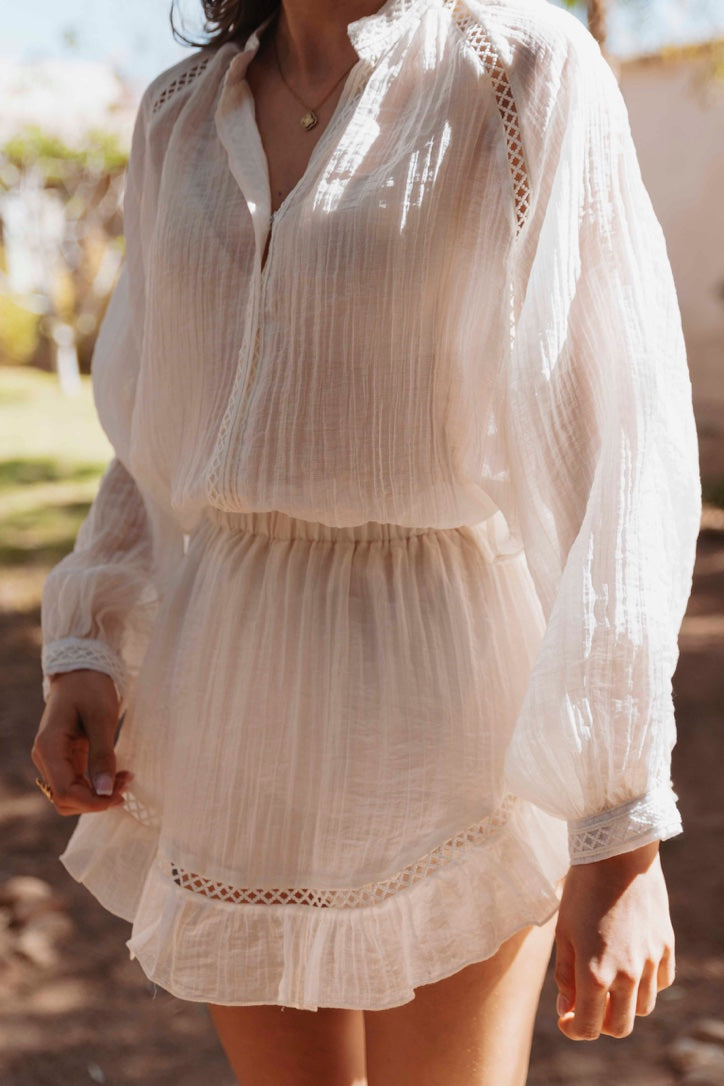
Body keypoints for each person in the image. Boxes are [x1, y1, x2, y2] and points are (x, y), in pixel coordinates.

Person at [31, 0, 701, 1081]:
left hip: (445, 700)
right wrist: (91, 647)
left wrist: (619, 825)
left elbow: (613, 441)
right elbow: (156, 423)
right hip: (232, 697)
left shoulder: (520, 71)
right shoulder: (178, 113)